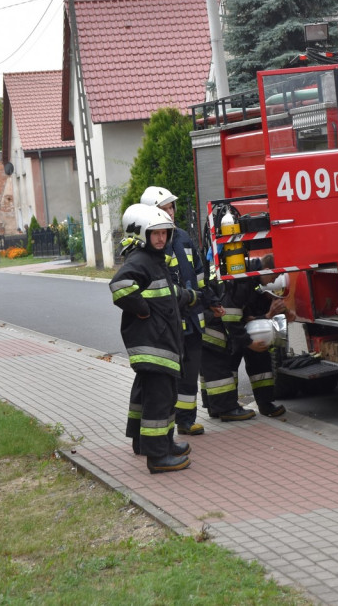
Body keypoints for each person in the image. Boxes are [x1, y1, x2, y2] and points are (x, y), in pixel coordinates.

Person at [109, 203, 197, 474]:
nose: (161, 239)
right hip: (154, 346)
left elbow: (166, 294)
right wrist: (143, 310)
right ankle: (158, 457)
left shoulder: (154, 260)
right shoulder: (141, 260)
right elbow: (120, 286)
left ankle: (153, 442)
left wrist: (192, 297)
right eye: (155, 233)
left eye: (165, 233)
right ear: (142, 234)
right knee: (160, 399)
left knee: (154, 395)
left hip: (158, 345)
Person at [140, 186, 217, 437]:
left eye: (172, 207)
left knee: (189, 373)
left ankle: (186, 420)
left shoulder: (182, 237)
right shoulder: (149, 244)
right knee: (167, 377)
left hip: (193, 318)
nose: (171, 213)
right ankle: (164, 425)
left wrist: (210, 301)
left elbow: (199, 273)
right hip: (168, 323)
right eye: (165, 209)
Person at [211, 253, 286, 420]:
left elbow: (250, 306)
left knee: (260, 360)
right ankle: (224, 408)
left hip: (231, 323)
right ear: (266, 271)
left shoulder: (252, 277)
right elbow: (230, 319)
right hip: (220, 326)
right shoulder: (243, 279)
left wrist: (266, 314)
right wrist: (249, 342)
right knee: (227, 366)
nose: (273, 282)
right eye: (274, 277)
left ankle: (265, 403)